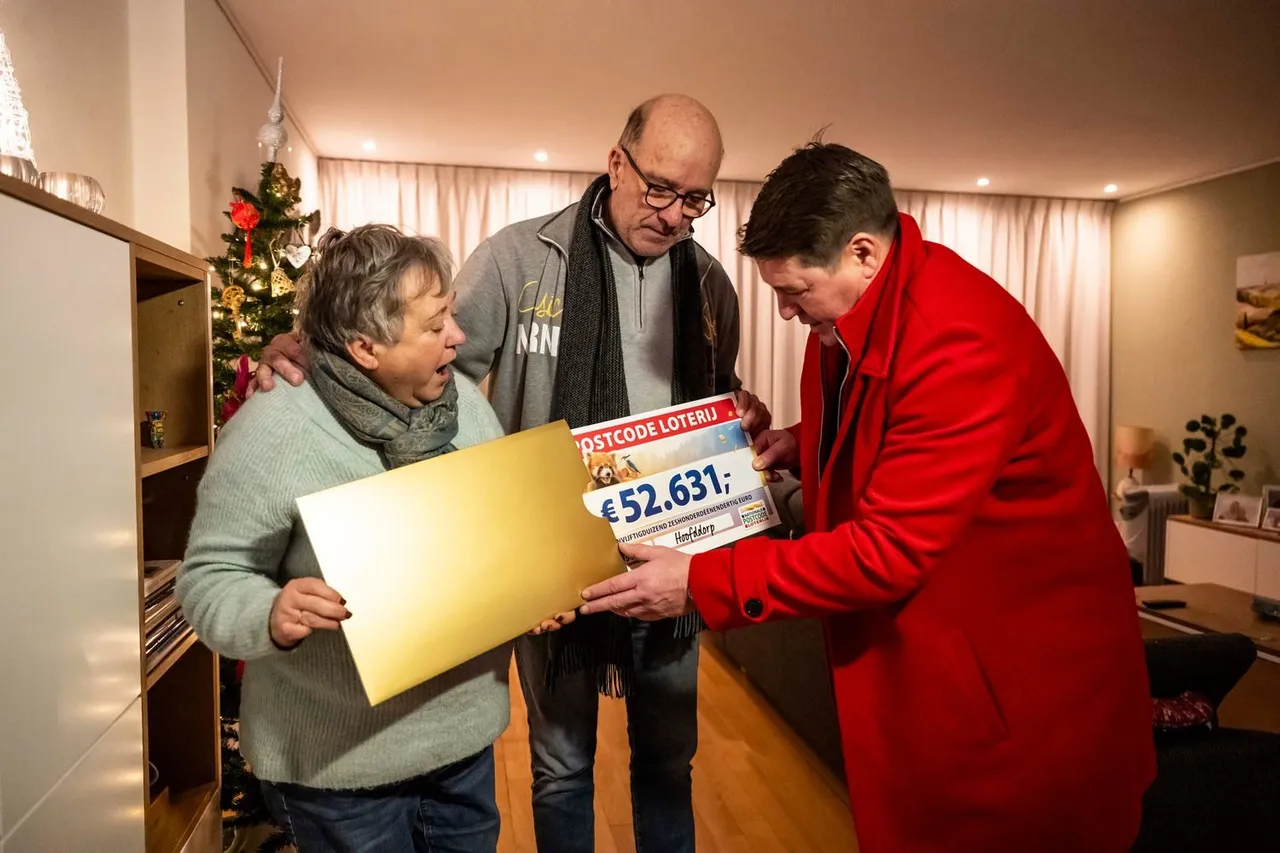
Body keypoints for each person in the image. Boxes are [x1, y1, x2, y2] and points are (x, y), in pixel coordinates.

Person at [580, 142, 1157, 852]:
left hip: (1017, 693)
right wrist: (800, 441)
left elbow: (889, 549)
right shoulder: (854, 309)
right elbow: (891, 425)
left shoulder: (960, 339)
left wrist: (701, 581)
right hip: (936, 671)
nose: (785, 313)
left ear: (861, 252)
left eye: (795, 291)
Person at [251, 94, 772, 853]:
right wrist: (315, 350)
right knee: (561, 767)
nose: (674, 216)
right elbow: (417, 360)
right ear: (617, 162)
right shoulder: (517, 260)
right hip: (549, 562)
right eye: (660, 188)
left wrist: (743, 408)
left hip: (672, 560)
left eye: (696, 199)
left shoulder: (711, 283)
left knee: (670, 763)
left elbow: (716, 399)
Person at [178, 224, 518, 853]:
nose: (460, 336)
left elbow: (503, 536)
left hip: (464, 744)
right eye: (435, 324)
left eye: (451, 314)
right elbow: (208, 580)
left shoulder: (467, 407)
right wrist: (270, 613)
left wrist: (536, 586)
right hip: (340, 773)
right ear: (365, 347)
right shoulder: (274, 429)